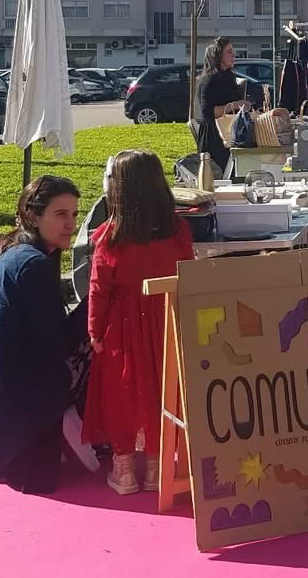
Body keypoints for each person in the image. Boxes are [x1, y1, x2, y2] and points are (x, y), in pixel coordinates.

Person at [0, 176, 94, 494]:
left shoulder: (9, 251)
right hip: (20, 420)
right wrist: (97, 300)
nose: (70, 224)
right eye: (60, 214)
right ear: (33, 215)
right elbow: (59, 343)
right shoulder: (32, 265)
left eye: (74, 214)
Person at [82, 150, 194, 495]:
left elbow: (98, 289)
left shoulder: (109, 237)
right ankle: (158, 468)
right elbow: (188, 273)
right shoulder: (178, 230)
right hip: (167, 319)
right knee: (164, 391)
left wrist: (94, 330)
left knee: (122, 396)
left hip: (123, 325)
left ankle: (124, 470)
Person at [195, 37, 248, 172]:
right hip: (214, 135)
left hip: (228, 130)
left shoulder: (229, 76)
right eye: (229, 52)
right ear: (218, 56)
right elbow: (208, 112)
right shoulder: (210, 79)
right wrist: (236, 105)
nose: (233, 55)